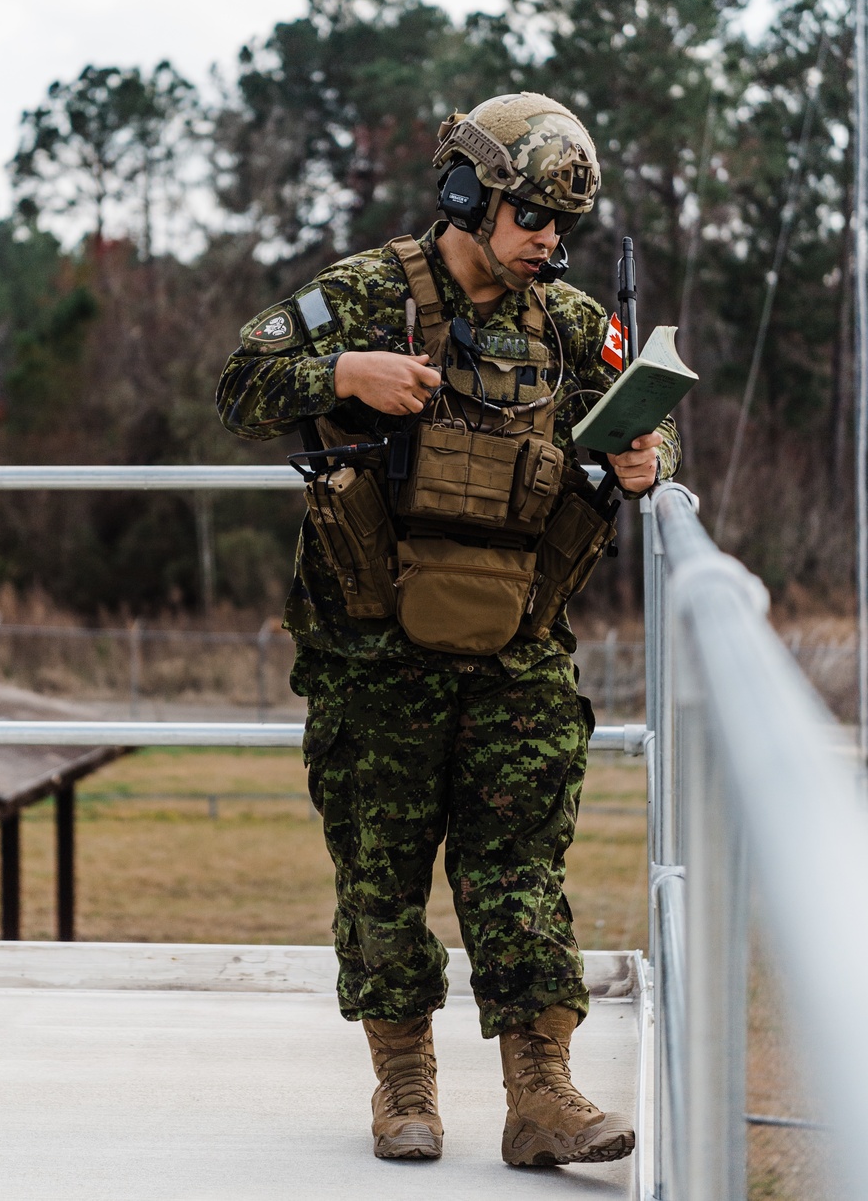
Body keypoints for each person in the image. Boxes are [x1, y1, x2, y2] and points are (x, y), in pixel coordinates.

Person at [216, 92, 679, 1169]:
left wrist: (648, 464)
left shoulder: (567, 326)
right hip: (376, 654)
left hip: (516, 652)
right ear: (469, 197)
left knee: (520, 873)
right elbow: (241, 380)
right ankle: (405, 1088)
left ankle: (541, 1098)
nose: (549, 244)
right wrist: (343, 374)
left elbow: (636, 428)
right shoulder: (373, 296)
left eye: (564, 227)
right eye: (532, 220)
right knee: (380, 874)